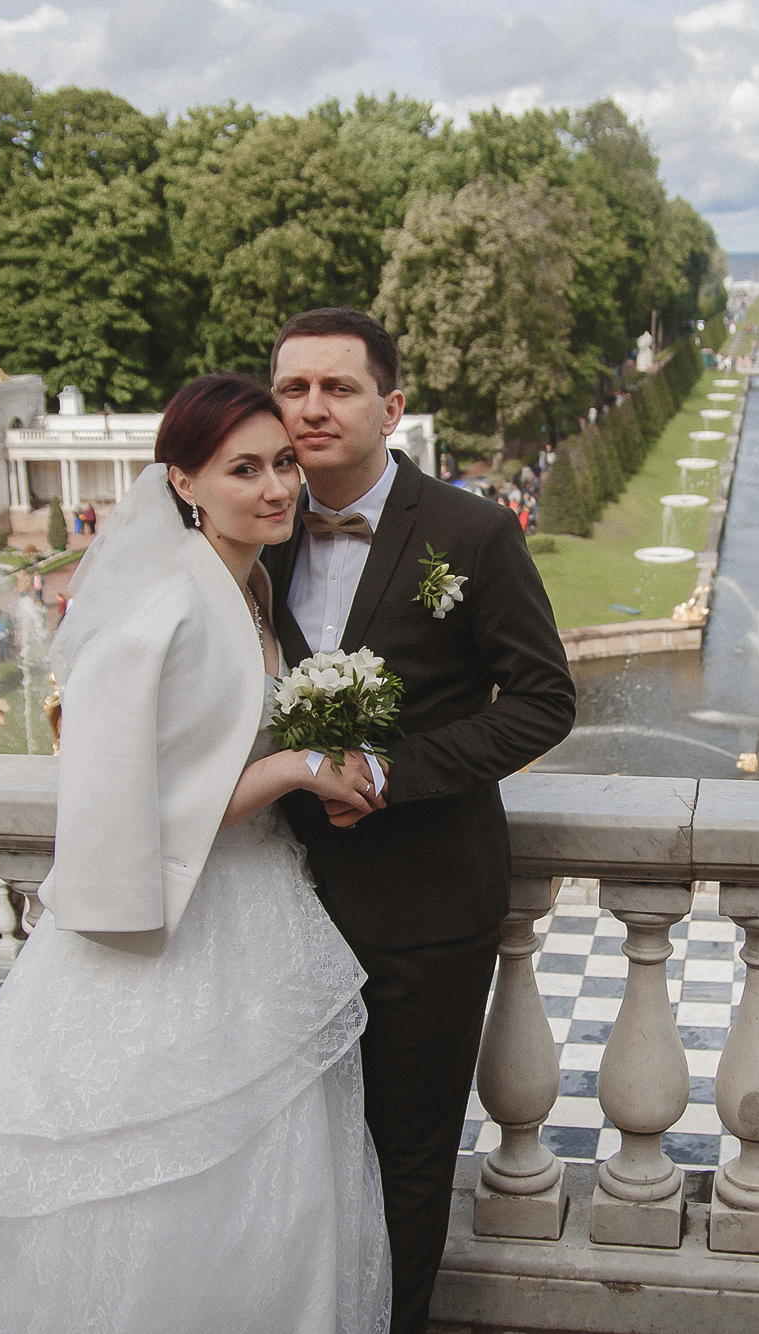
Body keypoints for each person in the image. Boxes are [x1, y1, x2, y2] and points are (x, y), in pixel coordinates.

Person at [0, 375, 391, 1333]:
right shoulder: (160, 605)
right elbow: (121, 808)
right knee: (138, 1182)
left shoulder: (248, 583)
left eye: (283, 463)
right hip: (165, 935)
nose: (278, 487)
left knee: (274, 1185)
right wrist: (293, 769)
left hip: (257, 916)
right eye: (244, 470)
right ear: (184, 481)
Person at [263, 309, 576, 1334]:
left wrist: (392, 772)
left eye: (338, 387)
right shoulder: (248, 528)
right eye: (293, 388)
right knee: (292, 1149)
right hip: (273, 898)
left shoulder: (471, 533)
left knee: (405, 1154)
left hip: (426, 904)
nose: (312, 407)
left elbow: (543, 700)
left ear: (389, 407)